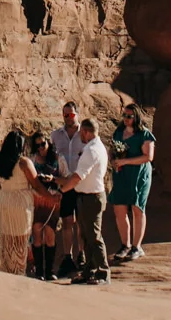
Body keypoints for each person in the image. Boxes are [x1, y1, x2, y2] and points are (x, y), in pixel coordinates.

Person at [59, 112, 110, 283]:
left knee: (94, 236)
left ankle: (103, 273)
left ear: (87, 132)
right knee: (87, 236)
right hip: (86, 196)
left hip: (92, 197)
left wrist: (63, 191)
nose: (80, 135)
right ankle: (90, 270)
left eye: (82, 132)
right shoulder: (97, 147)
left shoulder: (92, 150)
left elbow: (78, 177)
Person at [0, 128, 45, 274]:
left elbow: (0, 184)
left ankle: (7, 271)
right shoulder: (24, 162)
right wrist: (51, 197)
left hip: (3, 201)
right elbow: (37, 185)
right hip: (20, 205)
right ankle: (18, 272)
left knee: (7, 241)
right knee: (20, 243)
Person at [109, 104, 155, 261]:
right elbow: (112, 149)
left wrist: (125, 161)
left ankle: (137, 247)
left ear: (136, 117)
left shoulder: (144, 134)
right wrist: (114, 160)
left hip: (139, 175)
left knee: (137, 208)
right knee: (119, 209)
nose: (126, 119)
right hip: (122, 174)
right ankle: (125, 245)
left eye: (129, 116)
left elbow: (148, 157)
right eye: (124, 115)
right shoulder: (119, 132)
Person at [49, 101, 84, 276]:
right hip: (65, 184)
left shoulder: (84, 134)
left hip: (82, 183)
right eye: (65, 115)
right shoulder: (56, 135)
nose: (68, 118)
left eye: (70, 114)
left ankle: (82, 256)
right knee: (67, 221)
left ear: (77, 114)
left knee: (82, 222)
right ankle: (67, 257)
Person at [26, 131, 62, 277]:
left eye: (43, 144)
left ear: (48, 142)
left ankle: (50, 270)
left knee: (50, 233)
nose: (41, 148)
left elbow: (65, 176)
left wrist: (54, 180)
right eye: (38, 146)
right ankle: (39, 270)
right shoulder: (32, 160)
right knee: (37, 231)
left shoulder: (58, 159)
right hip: (36, 199)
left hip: (53, 199)